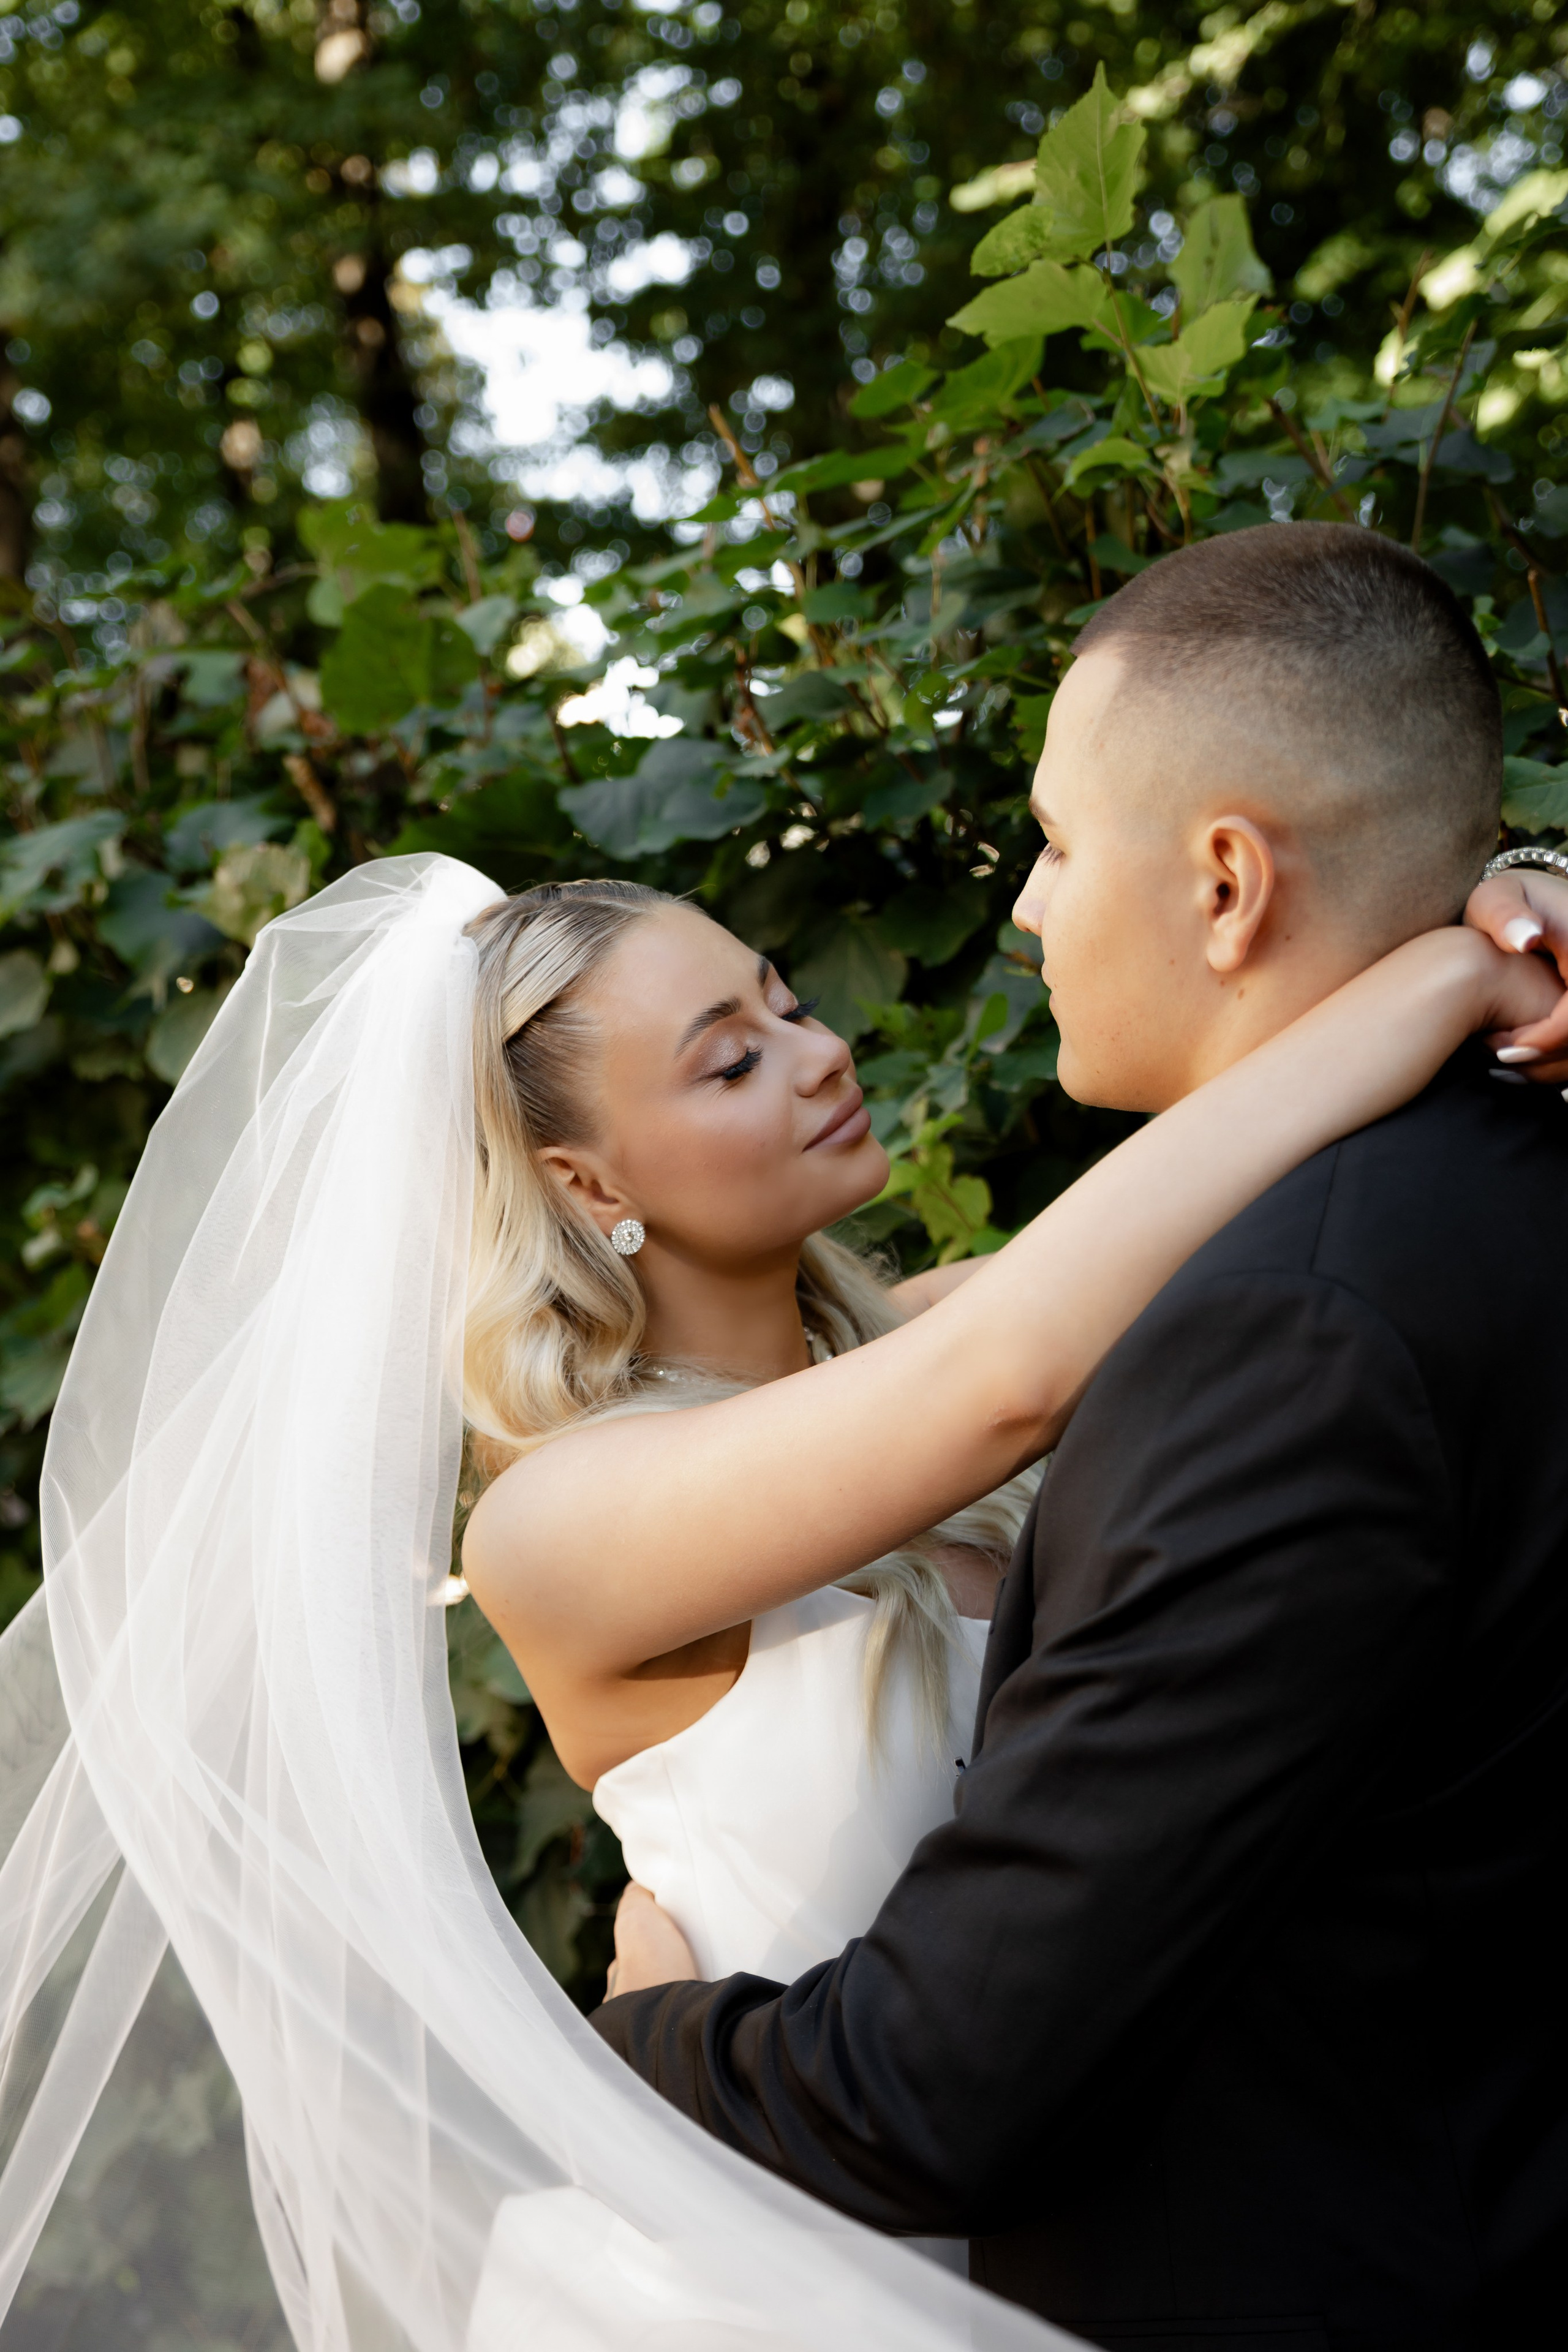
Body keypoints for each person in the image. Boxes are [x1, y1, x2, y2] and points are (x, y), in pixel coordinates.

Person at [591, 523, 1568, 2351]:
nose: (1028, 907)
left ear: (1224, 885)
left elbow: (939, 2084)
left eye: (1051, 841)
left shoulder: (1277, 1333)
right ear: (577, 1181)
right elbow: (1023, 1329)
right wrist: (1469, 936)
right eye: (725, 1054)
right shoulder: (1479, 1189)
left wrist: (623, 2036)